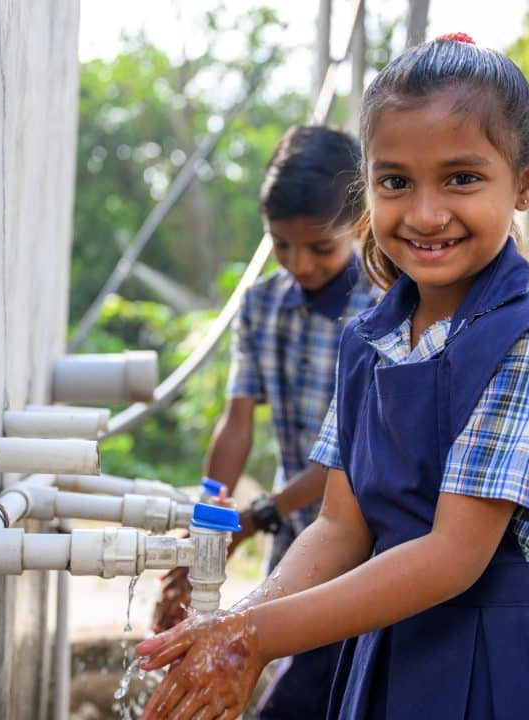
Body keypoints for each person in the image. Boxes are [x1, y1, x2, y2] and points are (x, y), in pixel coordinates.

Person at [136, 34, 529, 720]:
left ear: (525, 182)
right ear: (367, 188)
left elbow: (451, 556)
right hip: (392, 654)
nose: (426, 214)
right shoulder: (369, 341)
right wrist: (237, 621)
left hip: (510, 668)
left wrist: (251, 637)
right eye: (396, 182)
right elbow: (341, 527)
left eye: (462, 178)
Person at [150, 124, 378, 719]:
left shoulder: (386, 309)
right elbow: (236, 428)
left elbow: (352, 459)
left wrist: (252, 518)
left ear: (359, 226)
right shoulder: (261, 304)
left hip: (373, 542)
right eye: (281, 245)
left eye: (319, 248)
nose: (298, 263)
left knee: (312, 694)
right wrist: (204, 524)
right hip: (295, 535)